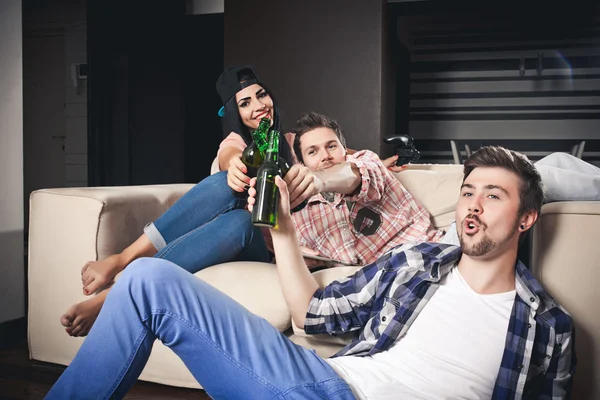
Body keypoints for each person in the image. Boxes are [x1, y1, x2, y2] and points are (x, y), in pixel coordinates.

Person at [45, 145, 575, 399]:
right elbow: (311, 317)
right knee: (145, 281)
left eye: (493, 195)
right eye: (466, 192)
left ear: (527, 218)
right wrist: (280, 230)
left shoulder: (549, 329)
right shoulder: (418, 262)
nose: (472, 206)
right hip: (327, 383)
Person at [59, 64, 295, 336]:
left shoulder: (295, 143)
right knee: (234, 206)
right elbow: (228, 155)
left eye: (262, 95)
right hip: (238, 235)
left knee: (239, 212)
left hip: (274, 251)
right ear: (236, 114)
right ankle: (123, 260)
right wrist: (235, 167)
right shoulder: (236, 143)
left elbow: (344, 157)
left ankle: (116, 293)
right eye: (245, 103)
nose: (259, 106)